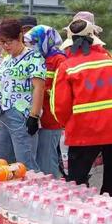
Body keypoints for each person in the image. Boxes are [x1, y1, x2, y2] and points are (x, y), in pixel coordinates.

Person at [51, 16, 112, 196]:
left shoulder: (68, 66)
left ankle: (79, 219)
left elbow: (60, 107)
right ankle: (108, 216)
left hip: (84, 131)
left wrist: (65, 126)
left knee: (76, 184)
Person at [0, 18, 46, 170]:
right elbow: (2, 83)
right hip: (3, 113)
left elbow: (39, 87)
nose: (5, 46)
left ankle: (30, 192)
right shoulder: (5, 60)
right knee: (4, 163)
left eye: (9, 41)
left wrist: (34, 116)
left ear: (19, 37)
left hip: (22, 115)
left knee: (25, 164)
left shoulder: (34, 58)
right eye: (2, 42)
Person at [29, 25, 67, 177]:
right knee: (37, 160)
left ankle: (53, 194)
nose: (32, 45)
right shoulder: (36, 57)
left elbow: (62, 90)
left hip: (50, 119)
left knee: (47, 161)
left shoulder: (59, 59)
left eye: (35, 41)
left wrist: (39, 91)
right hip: (35, 117)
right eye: (31, 42)